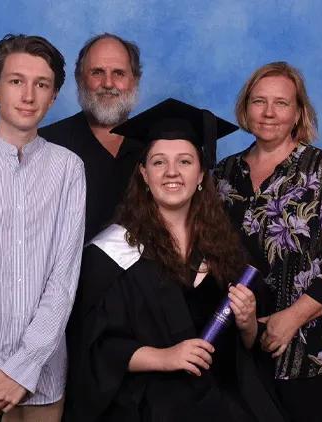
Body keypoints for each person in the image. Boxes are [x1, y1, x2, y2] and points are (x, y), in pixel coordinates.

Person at [65, 98, 287, 422]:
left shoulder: (228, 248)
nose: (172, 172)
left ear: (200, 174)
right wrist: (164, 357)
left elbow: (249, 348)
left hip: (219, 402)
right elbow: (94, 346)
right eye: (158, 162)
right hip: (146, 406)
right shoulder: (111, 254)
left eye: (184, 161)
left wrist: (248, 323)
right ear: (143, 173)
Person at [0, 34, 85, 422]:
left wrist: (23, 369)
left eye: (41, 84)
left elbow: (63, 278)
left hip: (42, 379)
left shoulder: (69, 169)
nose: (28, 95)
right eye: (15, 81)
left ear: (54, 96)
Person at [213, 62, 322, 422]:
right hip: (241, 354)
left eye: (281, 103)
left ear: (298, 111)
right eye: (259, 101)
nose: (269, 112)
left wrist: (291, 317)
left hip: (314, 357)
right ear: (245, 107)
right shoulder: (223, 175)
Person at [39, 33, 145, 242]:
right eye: (97, 72)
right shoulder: (46, 144)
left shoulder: (156, 147)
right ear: (80, 79)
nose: (108, 83)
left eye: (119, 73)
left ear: (135, 80)